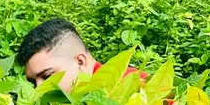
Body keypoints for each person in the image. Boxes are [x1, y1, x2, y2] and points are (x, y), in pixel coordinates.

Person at [17, 18, 147, 92]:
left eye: (47, 76)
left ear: (80, 62)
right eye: (33, 82)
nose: (38, 90)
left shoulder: (132, 84)